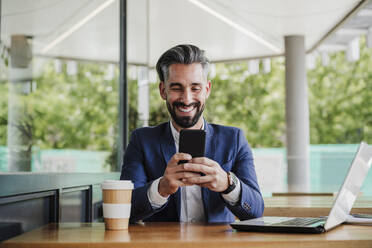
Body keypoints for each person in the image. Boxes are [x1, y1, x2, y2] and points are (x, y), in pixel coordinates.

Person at [120, 44, 264, 223]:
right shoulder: (142, 140)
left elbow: (256, 211)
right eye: (176, 88)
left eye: (195, 88)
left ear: (207, 90)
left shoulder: (234, 139)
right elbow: (124, 210)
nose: (186, 99)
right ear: (163, 90)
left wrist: (228, 184)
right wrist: (161, 188)